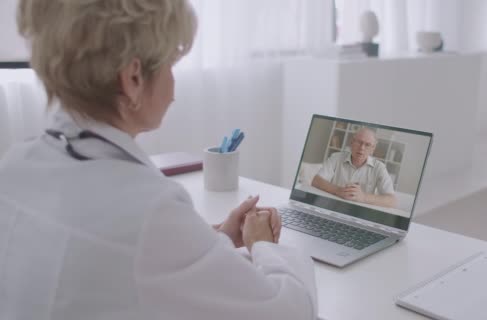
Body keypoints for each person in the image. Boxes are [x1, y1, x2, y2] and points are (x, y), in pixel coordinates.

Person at [0, 1, 316, 319]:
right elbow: (291, 311)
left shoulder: (15, 167)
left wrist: (212, 242)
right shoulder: (149, 210)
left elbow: (116, 267)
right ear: (133, 78)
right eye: (170, 64)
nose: (173, 82)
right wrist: (264, 246)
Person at [311, 127, 397, 208]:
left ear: (372, 149)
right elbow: (316, 181)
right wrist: (338, 191)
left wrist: (363, 197)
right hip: (331, 206)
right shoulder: (336, 158)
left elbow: (391, 200)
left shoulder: (379, 167)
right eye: (359, 142)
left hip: (359, 214)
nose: (362, 148)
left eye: (367, 145)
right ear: (351, 142)